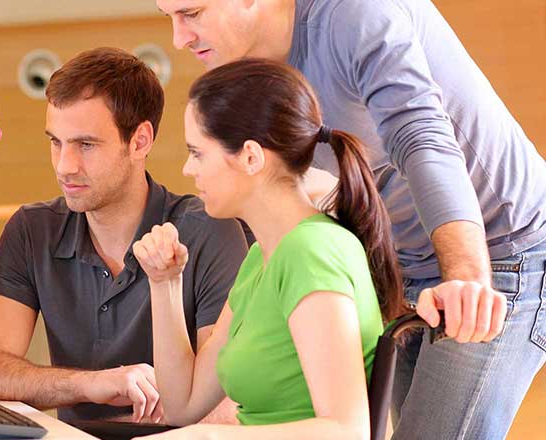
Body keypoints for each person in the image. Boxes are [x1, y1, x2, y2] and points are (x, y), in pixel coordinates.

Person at [157, 0, 546, 437]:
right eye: (167, 16)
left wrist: (469, 277)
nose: (178, 38)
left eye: (190, 13)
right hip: (404, 266)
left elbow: (422, 139)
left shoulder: (357, 14)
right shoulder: (251, 66)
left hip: (501, 251)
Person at [0, 47, 247, 423]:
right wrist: (90, 384)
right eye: (56, 142)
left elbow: (227, 401)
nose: (65, 166)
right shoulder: (32, 230)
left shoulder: (210, 229)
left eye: (86, 145)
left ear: (140, 141)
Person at [133, 58, 401, 438]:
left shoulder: (312, 251)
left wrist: (207, 436)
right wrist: (164, 283)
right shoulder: (262, 256)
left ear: (250, 157)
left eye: (198, 153)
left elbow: (347, 430)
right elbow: (183, 404)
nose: (187, 170)